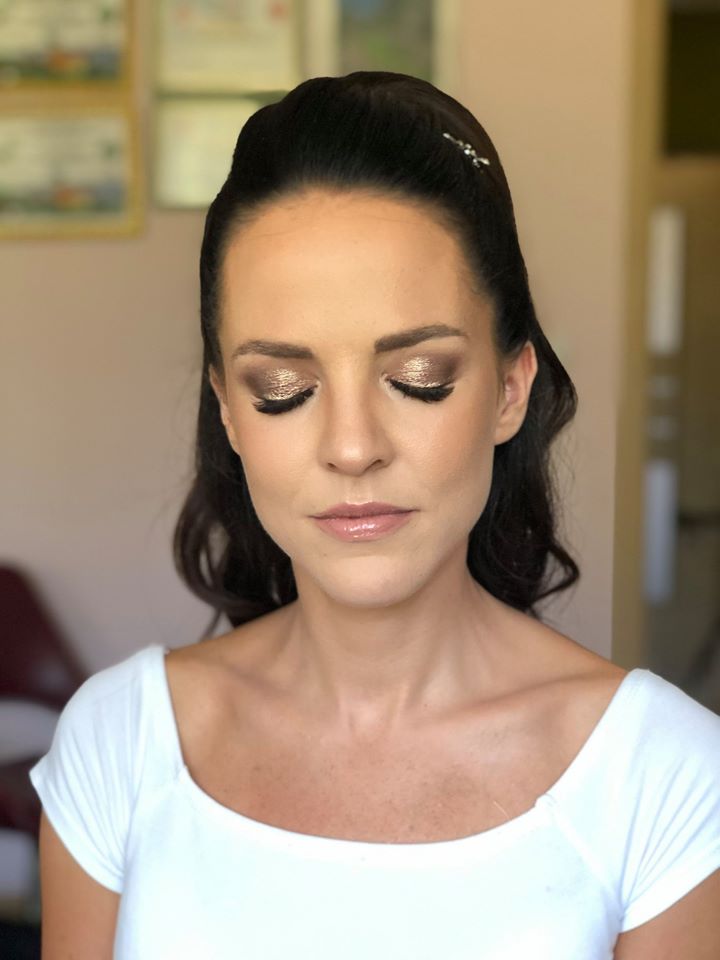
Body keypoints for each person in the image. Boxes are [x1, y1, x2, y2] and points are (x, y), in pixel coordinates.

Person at [29, 71, 720, 958]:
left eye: (417, 378)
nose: (353, 447)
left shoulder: (662, 777)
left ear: (511, 390)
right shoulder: (121, 745)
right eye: (283, 388)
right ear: (228, 409)